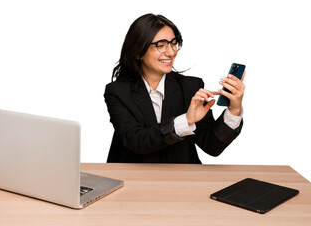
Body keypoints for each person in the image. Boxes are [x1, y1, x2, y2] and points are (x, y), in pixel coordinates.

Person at [104, 13, 245, 163]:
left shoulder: (191, 87)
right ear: (138, 52)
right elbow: (136, 141)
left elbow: (212, 146)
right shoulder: (118, 92)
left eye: (173, 43)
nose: (171, 52)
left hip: (181, 180)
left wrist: (234, 110)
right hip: (133, 179)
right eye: (161, 45)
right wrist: (186, 120)